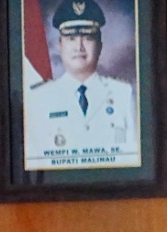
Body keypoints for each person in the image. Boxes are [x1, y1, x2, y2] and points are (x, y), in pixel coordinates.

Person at [23, 0, 140, 169]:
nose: (79, 47)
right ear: (60, 45)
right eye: (71, 38)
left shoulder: (123, 94)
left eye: (88, 38)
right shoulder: (39, 99)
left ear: (99, 45)